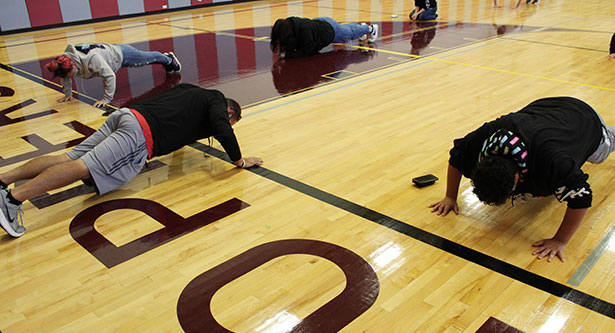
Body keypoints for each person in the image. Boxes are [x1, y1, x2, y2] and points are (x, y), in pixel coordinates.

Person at [0, 83, 263, 238]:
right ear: (231, 111)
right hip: (139, 133)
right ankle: (12, 200)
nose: (230, 126)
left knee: (69, 156)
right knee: (84, 166)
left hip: (126, 116)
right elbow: (220, 125)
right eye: (233, 122)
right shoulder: (216, 100)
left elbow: (179, 117)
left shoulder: (192, 91)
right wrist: (239, 161)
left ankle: (3, 181)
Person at [429, 97, 615, 262]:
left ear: (517, 176)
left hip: (584, 120)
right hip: (544, 108)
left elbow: (582, 197)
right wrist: (450, 197)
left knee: (601, 152)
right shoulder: (481, 140)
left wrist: (560, 240)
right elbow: (456, 157)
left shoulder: (555, 162)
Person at [46, 43, 182, 108]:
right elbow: (65, 77)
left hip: (122, 54)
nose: (72, 76)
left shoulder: (91, 59)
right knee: (146, 59)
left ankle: (168, 59)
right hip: (111, 55)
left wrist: (106, 99)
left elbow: (110, 76)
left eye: (72, 73)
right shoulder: (64, 63)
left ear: (73, 65)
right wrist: (67, 94)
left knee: (146, 59)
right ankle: (167, 60)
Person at [270, 17, 378, 59]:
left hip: (329, 31)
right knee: (344, 29)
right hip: (322, 22)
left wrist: (288, 55)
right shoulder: (290, 23)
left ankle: (370, 28)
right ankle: (362, 27)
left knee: (348, 35)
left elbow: (308, 50)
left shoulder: (304, 32)